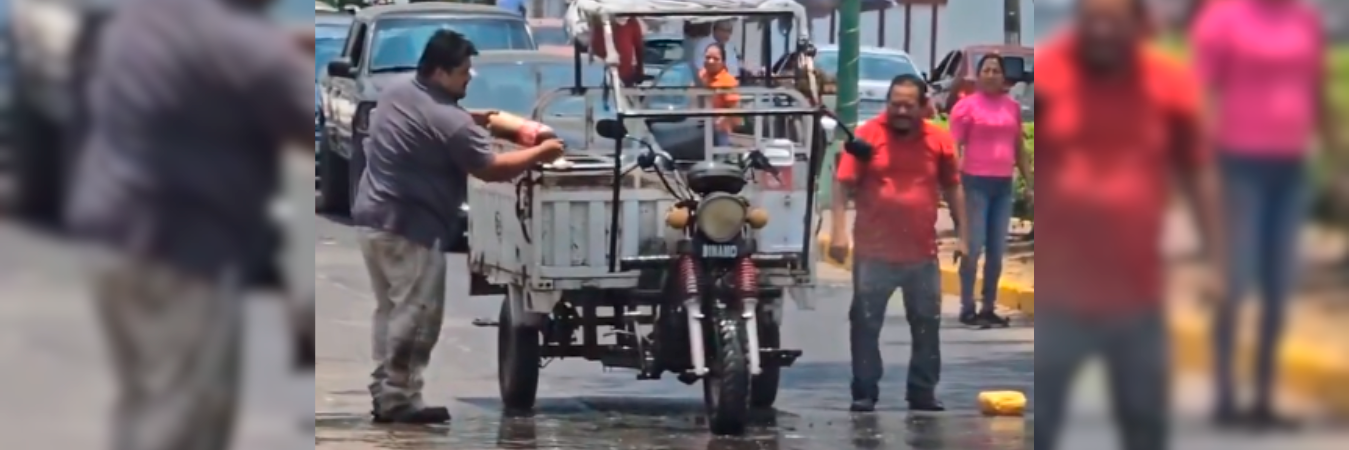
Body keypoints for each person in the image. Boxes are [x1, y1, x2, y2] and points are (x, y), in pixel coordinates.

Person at [64, 0, 316, 448]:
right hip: (181, 255)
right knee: (184, 419)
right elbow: (306, 126)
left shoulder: (146, 17)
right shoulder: (249, 50)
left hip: (107, 237)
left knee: (143, 401)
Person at [1034, 0, 1227, 449]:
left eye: (1113, 22)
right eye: (1092, 20)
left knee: (1145, 424)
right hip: (1061, 295)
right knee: (1041, 423)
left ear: (1139, 25)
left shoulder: (1168, 82)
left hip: (1137, 294)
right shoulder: (1049, 75)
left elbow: (1199, 174)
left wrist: (1218, 261)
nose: (1101, 32)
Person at [351, 29, 565, 424]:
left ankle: (387, 392)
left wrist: (471, 120)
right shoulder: (449, 120)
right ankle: (399, 399)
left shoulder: (399, 92)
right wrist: (542, 152)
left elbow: (428, 126)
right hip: (408, 227)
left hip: (372, 220)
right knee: (417, 317)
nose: (470, 78)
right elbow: (491, 168)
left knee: (391, 312)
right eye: (464, 71)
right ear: (440, 73)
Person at [1191, 0, 1331, 429]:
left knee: (1279, 284)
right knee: (1236, 279)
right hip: (1238, 167)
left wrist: (1336, 157)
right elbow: (1203, 94)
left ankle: (1264, 396)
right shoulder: (1223, 17)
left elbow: (1316, 89)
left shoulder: (1304, 18)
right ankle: (1226, 395)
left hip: (1292, 168)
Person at [827, 74, 968, 413]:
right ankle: (864, 390)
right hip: (873, 252)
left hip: (921, 252)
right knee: (865, 322)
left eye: (908, 104)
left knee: (926, 324)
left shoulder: (939, 139)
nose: (901, 110)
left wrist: (964, 236)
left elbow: (952, 188)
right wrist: (838, 231)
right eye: (895, 104)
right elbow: (842, 183)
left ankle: (922, 392)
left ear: (923, 106)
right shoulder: (868, 135)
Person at [948, 54, 1033, 329]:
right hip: (975, 183)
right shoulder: (965, 107)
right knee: (974, 247)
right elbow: (954, 146)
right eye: (986, 69)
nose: (992, 74)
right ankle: (967, 306)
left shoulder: (1012, 107)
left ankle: (988, 306)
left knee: (997, 251)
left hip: (1003, 184)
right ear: (978, 74)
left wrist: (1030, 181)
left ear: (1003, 76)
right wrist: (952, 182)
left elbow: (1018, 147)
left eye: (996, 70)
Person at [699, 43, 740, 148]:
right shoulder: (700, 75)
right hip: (700, 126)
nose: (710, 61)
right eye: (708, 57)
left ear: (723, 62)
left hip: (720, 130)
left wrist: (718, 122)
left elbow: (733, 108)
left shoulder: (728, 81)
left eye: (715, 58)